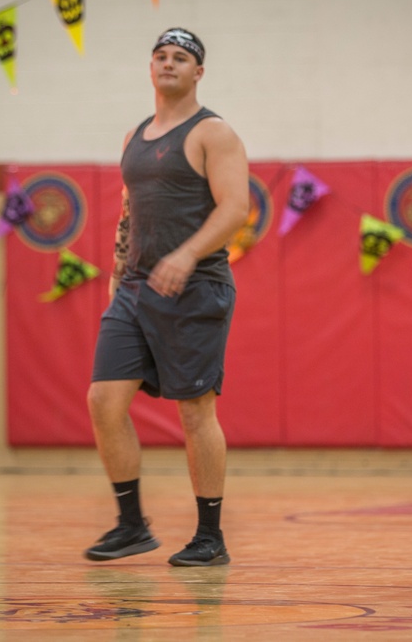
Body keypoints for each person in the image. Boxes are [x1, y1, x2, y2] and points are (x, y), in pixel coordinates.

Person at [83, 28, 249, 567]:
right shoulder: (135, 134)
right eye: (160, 56)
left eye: (181, 58)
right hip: (133, 289)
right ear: (149, 67)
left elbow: (234, 210)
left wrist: (185, 255)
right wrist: (115, 274)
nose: (169, 64)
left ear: (198, 72)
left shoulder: (213, 132)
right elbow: (130, 211)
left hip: (196, 286)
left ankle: (210, 536)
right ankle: (132, 526)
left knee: (195, 412)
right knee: (104, 401)